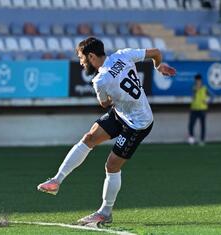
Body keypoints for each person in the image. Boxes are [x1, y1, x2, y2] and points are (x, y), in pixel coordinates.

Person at [37, 37, 176, 225]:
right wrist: (158, 67)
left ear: (92, 56)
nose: (81, 62)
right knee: (89, 137)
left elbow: (104, 103)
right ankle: (56, 181)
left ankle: (105, 212)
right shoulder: (123, 54)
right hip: (121, 113)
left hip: (138, 124)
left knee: (111, 166)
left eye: (81, 58)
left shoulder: (100, 80)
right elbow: (156, 53)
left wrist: (115, 96)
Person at [187, 74, 212, 146]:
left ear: (201, 80)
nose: (197, 82)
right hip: (194, 109)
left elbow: (212, 96)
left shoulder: (205, 88)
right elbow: (192, 96)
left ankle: (202, 140)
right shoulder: (193, 88)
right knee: (191, 124)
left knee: (202, 125)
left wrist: (207, 100)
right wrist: (195, 91)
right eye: (196, 80)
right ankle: (191, 139)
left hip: (202, 109)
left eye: (198, 80)